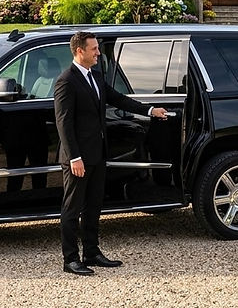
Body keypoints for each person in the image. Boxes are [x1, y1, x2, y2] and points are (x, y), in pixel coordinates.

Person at [54, 31, 167, 276]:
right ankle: (70, 259)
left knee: (94, 206)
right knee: (72, 208)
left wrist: (149, 110)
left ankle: (92, 253)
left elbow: (118, 99)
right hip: (78, 159)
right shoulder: (66, 81)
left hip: (97, 154)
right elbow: (63, 123)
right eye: (93, 49)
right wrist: (75, 157)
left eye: (97, 48)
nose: (98, 53)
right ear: (79, 51)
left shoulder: (95, 76)